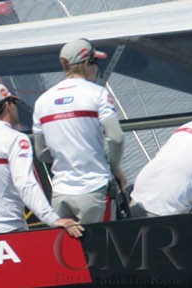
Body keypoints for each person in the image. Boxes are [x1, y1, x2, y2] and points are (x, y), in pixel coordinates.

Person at [0, 83, 84, 238]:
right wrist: (53, 219)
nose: (16, 108)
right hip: (7, 232)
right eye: (14, 103)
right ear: (7, 105)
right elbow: (25, 183)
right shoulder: (16, 139)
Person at [32, 37, 127, 223]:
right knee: (104, 248)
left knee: (71, 252)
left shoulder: (42, 102)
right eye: (95, 62)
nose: (97, 68)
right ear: (85, 63)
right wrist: (113, 167)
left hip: (60, 194)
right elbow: (116, 138)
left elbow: (41, 153)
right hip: (95, 189)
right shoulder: (98, 94)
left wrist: (65, 157)